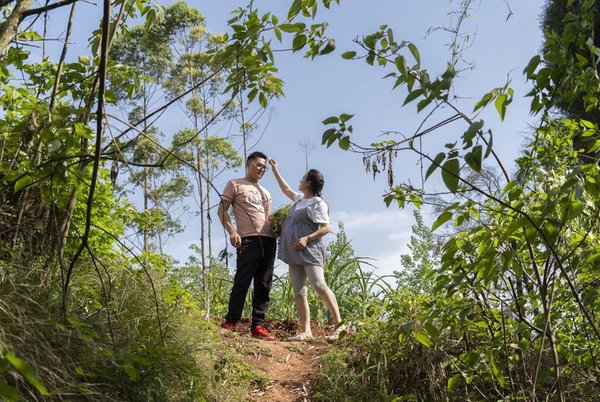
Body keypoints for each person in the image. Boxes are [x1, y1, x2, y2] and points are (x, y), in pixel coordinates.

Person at [269, 159, 346, 341]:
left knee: (319, 285)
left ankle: (339, 326)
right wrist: (275, 170)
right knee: (299, 291)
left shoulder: (318, 203)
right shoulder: (299, 200)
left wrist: (307, 238)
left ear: (309, 182)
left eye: (303, 178)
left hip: (310, 250)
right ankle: (306, 331)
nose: (300, 180)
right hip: (293, 252)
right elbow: (286, 189)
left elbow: (326, 227)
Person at [218, 151, 276, 339]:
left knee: (264, 283)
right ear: (249, 163)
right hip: (248, 239)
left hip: (268, 240)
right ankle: (231, 321)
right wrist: (232, 232)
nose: (261, 169)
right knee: (242, 281)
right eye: (259, 165)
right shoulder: (235, 184)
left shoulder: (266, 192)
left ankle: (257, 326)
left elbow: (268, 217)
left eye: (264, 168)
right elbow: (222, 211)